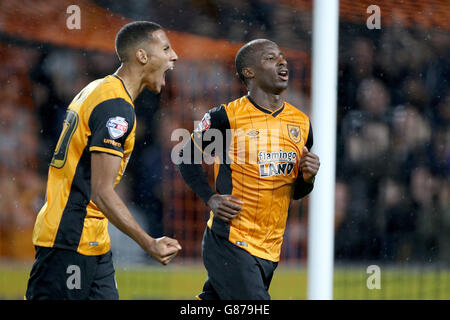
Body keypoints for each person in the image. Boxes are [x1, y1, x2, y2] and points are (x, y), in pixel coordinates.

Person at [26, 21, 181, 300]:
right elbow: (102, 190)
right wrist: (149, 243)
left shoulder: (98, 89)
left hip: (92, 241)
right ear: (142, 56)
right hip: (70, 238)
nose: (174, 56)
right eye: (166, 48)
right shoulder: (116, 108)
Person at [177, 39, 320, 300]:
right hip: (231, 240)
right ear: (249, 72)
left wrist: (308, 177)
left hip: (270, 248)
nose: (282, 61)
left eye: (282, 56)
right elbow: (185, 157)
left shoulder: (302, 124)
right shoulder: (227, 118)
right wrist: (210, 198)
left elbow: (296, 192)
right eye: (270, 58)